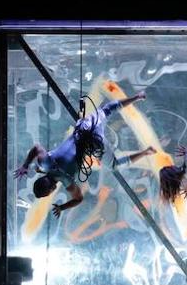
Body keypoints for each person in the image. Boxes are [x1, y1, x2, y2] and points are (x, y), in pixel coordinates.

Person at [14, 93, 156, 217]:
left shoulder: (67, 181)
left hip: (94, 142)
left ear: (52, 189)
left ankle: (146, 152)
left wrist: (62, 207)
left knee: (114, 165)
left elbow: (78, 199)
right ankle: (137, 97)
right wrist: (25, 165)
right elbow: (37, 148)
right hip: (84, 129)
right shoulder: (45, 163)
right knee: (106, 110)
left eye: (49, 192)